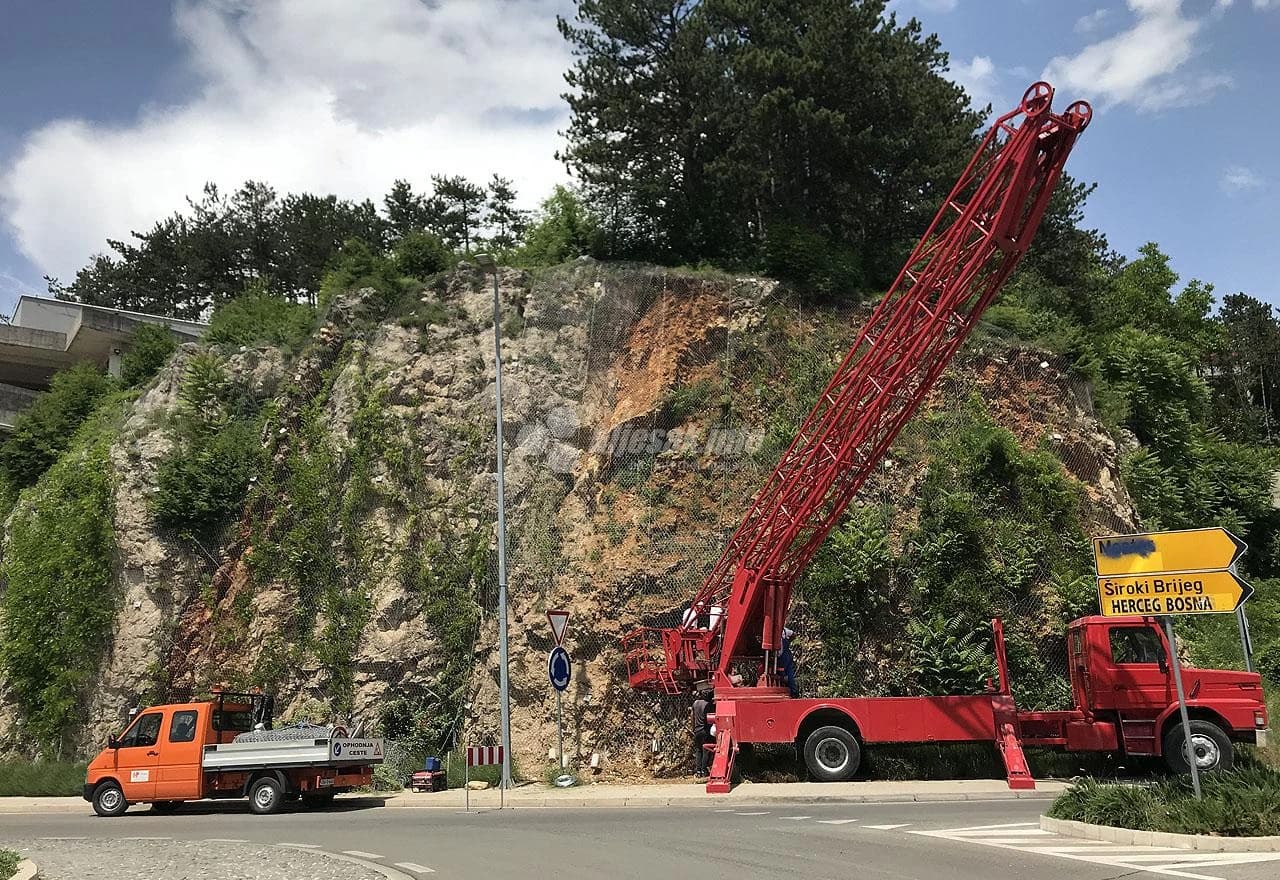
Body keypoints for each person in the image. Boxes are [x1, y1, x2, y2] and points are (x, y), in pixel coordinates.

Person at [692, 689, 714, 777]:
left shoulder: (695, 703)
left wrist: (693, 728)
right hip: (705, 730)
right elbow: (709, 718)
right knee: (706, 751)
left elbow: (692, 717)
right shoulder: (708, 705)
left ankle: (698, 771)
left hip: (697, 730)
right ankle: (704, 770)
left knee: (698, 750)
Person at [779, 627, 799, 697]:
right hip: (785, 655)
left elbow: (794, 634)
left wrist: (788, 641)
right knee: (789, 674)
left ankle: (789, 691)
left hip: (783, 656)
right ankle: (793, 691)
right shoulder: (784, 630)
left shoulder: (783, 630)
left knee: (782, 674)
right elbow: (794, 634)